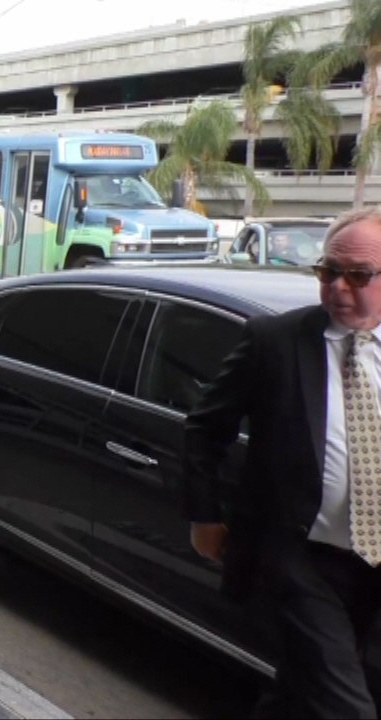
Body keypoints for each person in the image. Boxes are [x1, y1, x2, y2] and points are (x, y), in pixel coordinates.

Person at [185, 206, 381, 718]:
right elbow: (206, 427)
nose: (338, 286)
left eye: (358, 275)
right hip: (302, 557)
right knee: (348, 708)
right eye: (327, 271)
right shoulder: (273, 342)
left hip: (375, 562)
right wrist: (206, 517)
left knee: (300, 688)